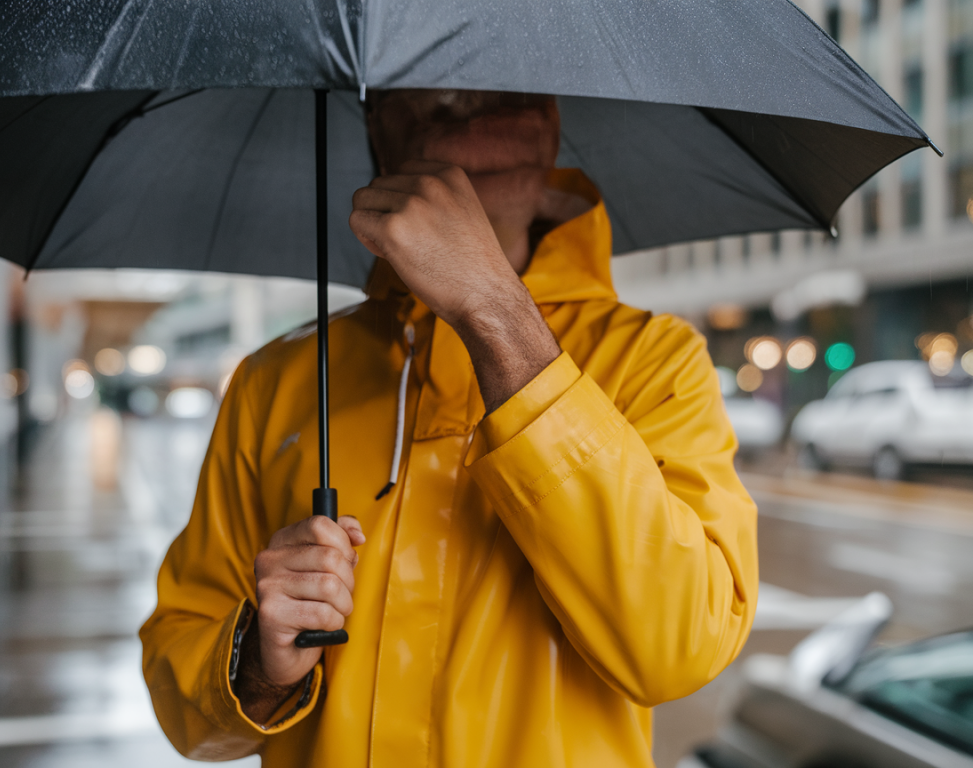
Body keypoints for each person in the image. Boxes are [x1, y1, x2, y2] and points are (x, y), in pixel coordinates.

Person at [140, 89, 758, 767]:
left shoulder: (655, 362)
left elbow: (679, 646)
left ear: (551, 125)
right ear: (379, 129)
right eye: (443, 99)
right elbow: (185, 700)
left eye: (521, 94)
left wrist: (492, 307)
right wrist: (259, 658)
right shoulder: (276, 383)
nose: (488, 123)